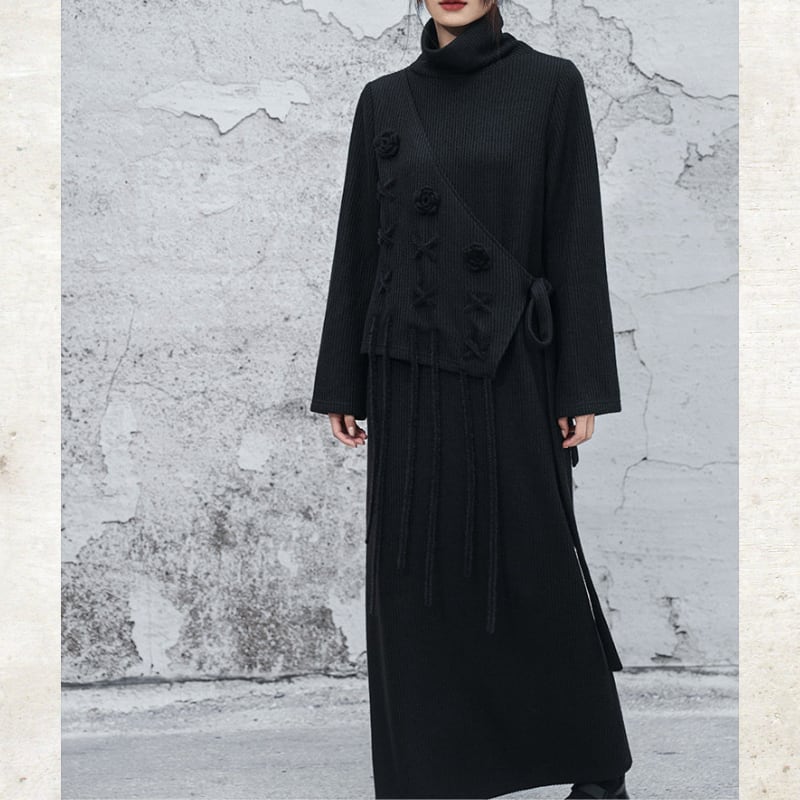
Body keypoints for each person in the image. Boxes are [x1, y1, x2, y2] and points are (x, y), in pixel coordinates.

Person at [309, 1, 633, 797]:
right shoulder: (384, 100)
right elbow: (360, 238)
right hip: (407, 374)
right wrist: (343, 378)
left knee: (535, 567)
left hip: (515, 364)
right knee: (414, 584)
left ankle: (597, 772)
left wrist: (581, 382)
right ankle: (433, 777)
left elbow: (574, 231)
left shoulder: (552, 85)